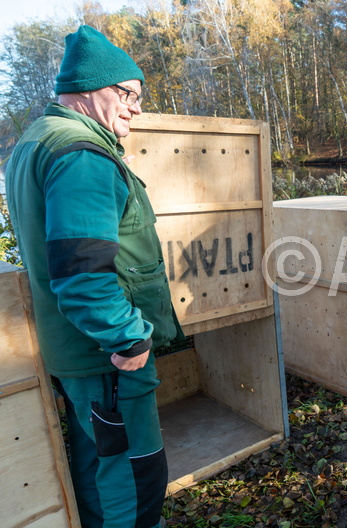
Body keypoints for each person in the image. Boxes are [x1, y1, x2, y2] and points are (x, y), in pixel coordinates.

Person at [5, 25, 182, 528]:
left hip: (75, 353)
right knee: (134, 476)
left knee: (95, 464)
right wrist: (129, 339)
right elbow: (84, 275)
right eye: (126, 94)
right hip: (106, 358)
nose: (136, 107)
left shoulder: (37, 140)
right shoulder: (82, 154)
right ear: (87, 89)